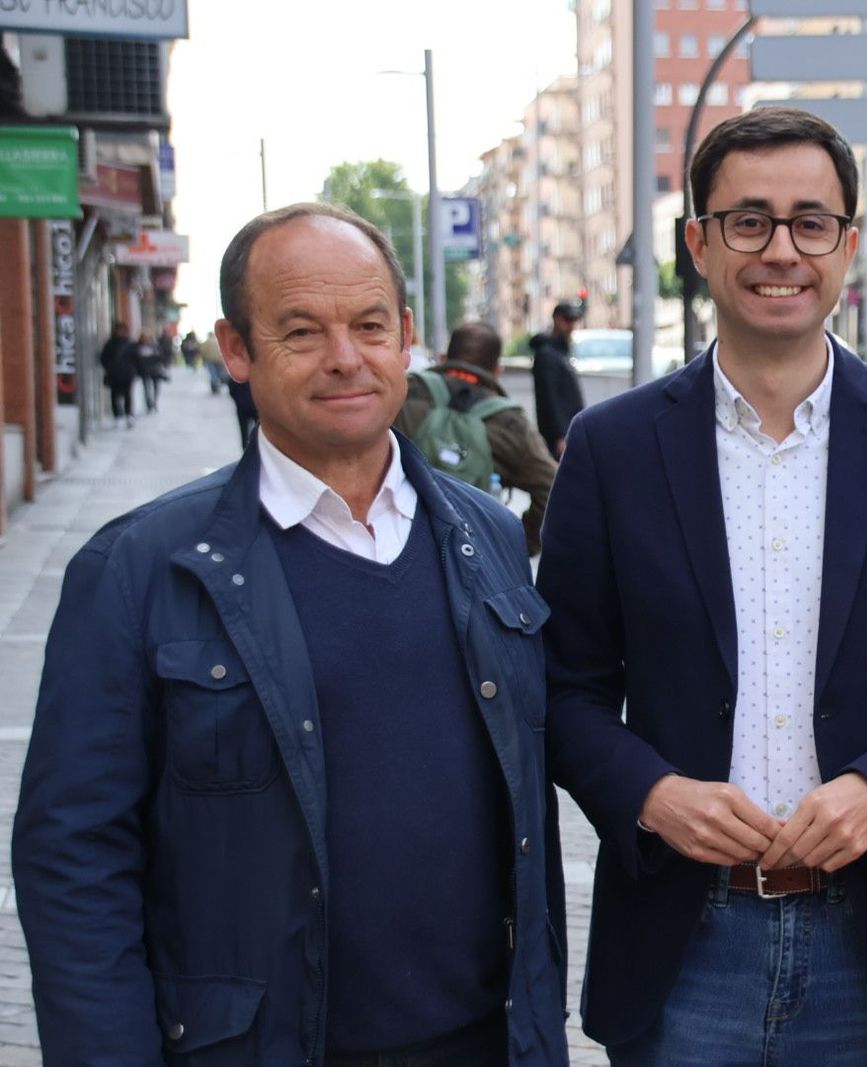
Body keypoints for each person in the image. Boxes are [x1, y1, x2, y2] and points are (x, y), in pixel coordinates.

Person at [14, 203, 567, 1067]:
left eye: (370, 325)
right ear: (237, 351)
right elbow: (74, 862)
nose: (345, 357)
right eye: (301, 331)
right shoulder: (142, 568)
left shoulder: (484, 538)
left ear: (407, 336)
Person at [538, 106, 867, 1066]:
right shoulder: (613, 448)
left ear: (849, 244)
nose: (781, 250)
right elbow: (560, 688)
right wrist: (652, 793)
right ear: (699, 243)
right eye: (747, 220)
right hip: (682, 942)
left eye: (811, 222)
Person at [396, 321, 558, 556]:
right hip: (473, 560)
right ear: (497, 371)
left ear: (443, 358)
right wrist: (518, 547)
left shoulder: (404, 395)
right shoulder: (509, 422)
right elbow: (553, 488)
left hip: (401, 552)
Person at [529, 300, 585, 458]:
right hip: (559, 436)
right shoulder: (546, 354)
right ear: (557, 320)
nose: (571, 326)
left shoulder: (559, 351)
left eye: (574, 321)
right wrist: (559, 435)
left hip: (568, 429)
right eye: (568, 320)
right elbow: (548, 397)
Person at [98, 322, 137, 427]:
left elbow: (136, 358)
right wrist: (109, 368)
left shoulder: (130, 344)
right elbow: (103, 358)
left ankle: (129, 414)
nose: (121, 332)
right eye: (119, 330)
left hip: (127, 374)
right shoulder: (110, 344)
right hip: (114, 374)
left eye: (122, 330)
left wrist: (134, 370)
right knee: (114, 395)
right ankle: (117, 415)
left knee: (127, 395)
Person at [136, 330, 164, 413]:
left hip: (154, 371)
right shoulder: (138, 348)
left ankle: (154, 402)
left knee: (155, 387)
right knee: (146, 388)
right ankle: (149, 404)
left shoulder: (154, 347)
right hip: (144, 371)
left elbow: (160, 358)